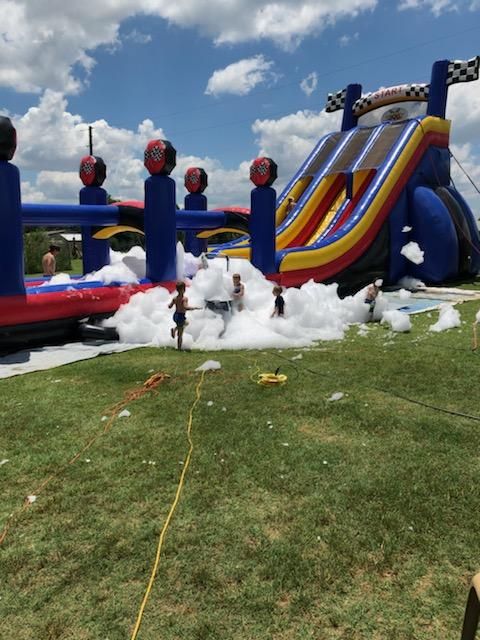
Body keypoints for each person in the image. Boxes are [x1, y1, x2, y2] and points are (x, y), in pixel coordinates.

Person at [168, 281, 201, 350]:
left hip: (175, 315)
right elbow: (185, 307)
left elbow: (170, 306)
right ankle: (179, 348)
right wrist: (194, 308)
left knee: (186, 323)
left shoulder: (175, 298)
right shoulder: (184, 299)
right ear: (183, 289)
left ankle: (174, 329)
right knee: (180, 334)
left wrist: (170, 305)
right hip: (180, 316)